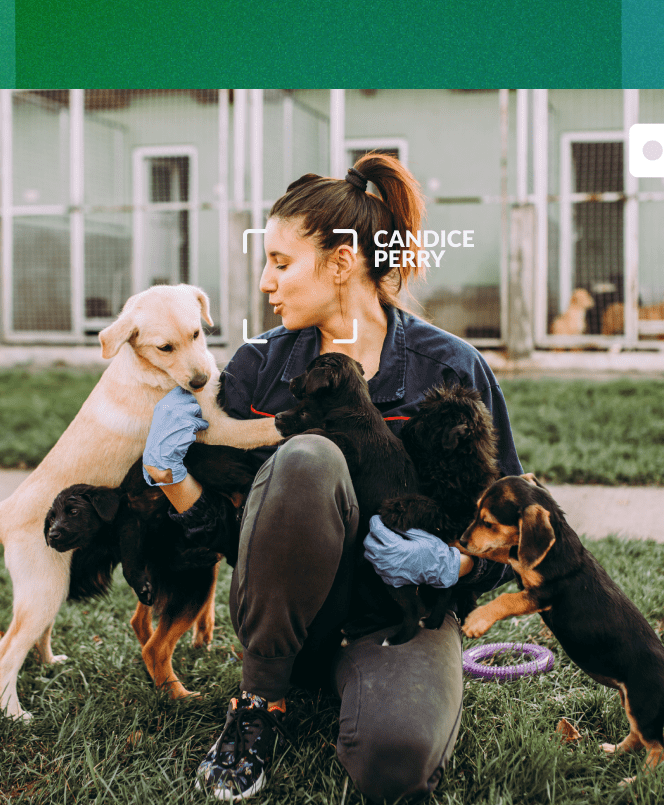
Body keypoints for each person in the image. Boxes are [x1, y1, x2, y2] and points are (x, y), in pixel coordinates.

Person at [142, 153, 523, 802]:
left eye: (281, 262)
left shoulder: (449, 370)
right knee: (309, 457)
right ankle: (260, 701)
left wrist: (451, 566)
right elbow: (230, 539)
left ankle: (370, 692)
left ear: (342, 262)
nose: (265, 280)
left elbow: (508, 531)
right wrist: (169, 473)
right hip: (286, 625)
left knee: (395, 760)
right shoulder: (258, 369)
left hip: (397, 622)